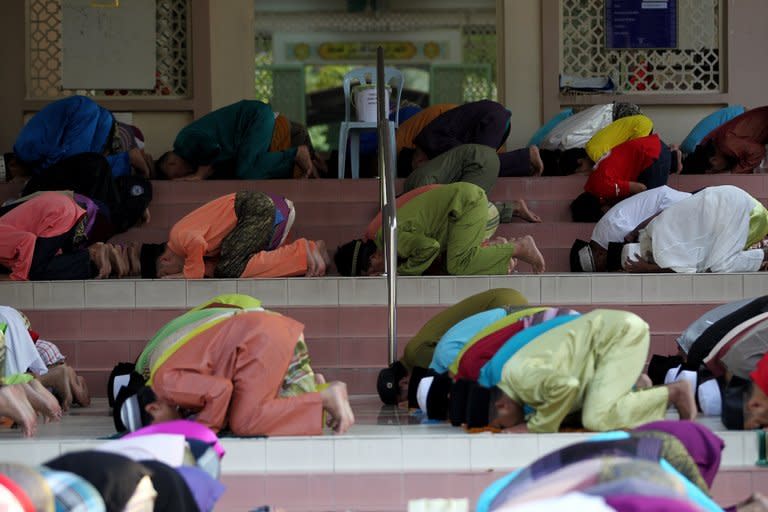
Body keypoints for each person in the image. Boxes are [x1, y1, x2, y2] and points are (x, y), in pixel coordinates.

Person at [115, 298, 355, 436]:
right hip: (263, 336)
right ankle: (315, 389)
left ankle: (325, 396)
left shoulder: (165, 382)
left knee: (245, 421)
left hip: (258, 340)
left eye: (161, 431)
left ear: (154, 408)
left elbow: (220, 391)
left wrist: (203, 432)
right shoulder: (167, 383)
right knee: (256, 411)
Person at [478, 309, 697, 433]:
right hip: (605, 340)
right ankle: (640, 388)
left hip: (617, 335)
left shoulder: (519, 377)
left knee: (595, 418)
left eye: (502, 425)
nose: (509, 428)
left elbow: (567, 385)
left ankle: (675, 392)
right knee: (582, 413)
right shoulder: (514, 376)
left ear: (502, 406)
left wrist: (538, 425)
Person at [334, 182, 546, 277]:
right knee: (449, 265)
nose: (377, 273)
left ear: (372, 258)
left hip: (467, 205)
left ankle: (519, 247)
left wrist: (400, 273)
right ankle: (502, 253)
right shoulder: (384, 236)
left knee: (457, 265)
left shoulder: (389, 238)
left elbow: (430, 247)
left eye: (371, 271)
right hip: (463, 207)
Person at [376, 288, 528, 405]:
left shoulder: (417, 357)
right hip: (505, 305)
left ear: (404, 381)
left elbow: (457, 367)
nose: (409, 400)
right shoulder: (412, 353)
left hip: (506, 310)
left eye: (405, 397)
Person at [139, 191, 330, 279]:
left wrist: (186, 276)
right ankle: (310, 251)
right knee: (227, 267)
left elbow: (196, 243)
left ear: (165, 260)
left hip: (256, 209)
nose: (171, 276)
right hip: (269, 215)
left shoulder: (177, 237)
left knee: (231, 268)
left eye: (165, 274)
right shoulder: (199, 256)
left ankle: (302, 253)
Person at [155, 100, 319, 180]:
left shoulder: (183, 142)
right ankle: (296, 158)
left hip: (253, 118)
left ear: (171, 163)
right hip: (249, 130)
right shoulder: (196, 158)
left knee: (245, 172)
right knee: (247, 173)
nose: (186, 175)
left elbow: (211, 147)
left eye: (179, 175)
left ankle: (296, 153)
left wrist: (199, 175)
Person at [623, 185, 768, 273]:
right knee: (713, 258)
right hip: (736, 199)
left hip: (741, 210)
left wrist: (647, 270)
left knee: (721, 265)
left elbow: (681, 270)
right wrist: (633, 232)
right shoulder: (652, 227)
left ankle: (765, 255)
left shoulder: (664, 252)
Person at [12, 95, 154, 178]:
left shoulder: (25, 150)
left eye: (11, 174)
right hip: (95, 122)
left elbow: (55, 160)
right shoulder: (28, 153)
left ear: (12, 164)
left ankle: (138, 169)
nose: (13, 177)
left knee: (79, 169)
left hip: (87, 117)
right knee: (85, 169)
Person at [399, 100, 544, 178]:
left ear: (418, 161)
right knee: (479, 166)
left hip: (492, 119)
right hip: (494, 118)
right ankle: (525, 162)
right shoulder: (430, 139)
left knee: (479, 165)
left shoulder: (431, 142)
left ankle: (526, 157)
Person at [569, 185, 691, 271]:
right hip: (670, 209)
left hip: (672, 205)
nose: (607, 267)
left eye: (602, 267)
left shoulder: (612, 232)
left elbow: (647, 230)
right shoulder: (602, 236)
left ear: (599, 255)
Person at [0, 192, 114, 280]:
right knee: (44, 266)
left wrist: (17, 277)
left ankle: (91, 255)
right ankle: (98, 261)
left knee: (35, 270)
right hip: (63, 210)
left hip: (58, 213)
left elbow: (27, 240)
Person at [571, 134, 678, 220]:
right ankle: (674, 159)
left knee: (652, 204)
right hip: (649, 147)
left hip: (652, 153)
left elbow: (641, 188)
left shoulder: (603, 187)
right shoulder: (591, 185)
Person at [686, 105, 768, 174]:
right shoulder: (717, 140)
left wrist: (737, 174)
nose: (719, 171)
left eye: (715, 170)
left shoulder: (726, 143)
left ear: (713, 160)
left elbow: (758, 151)